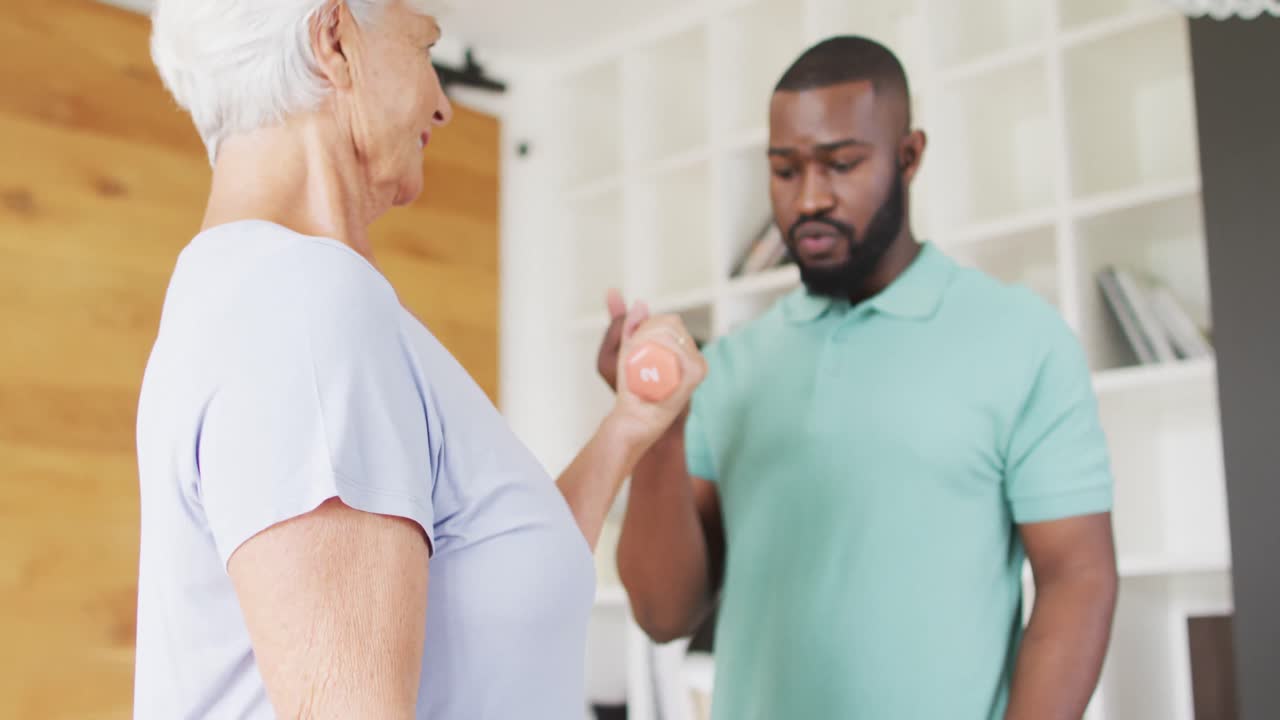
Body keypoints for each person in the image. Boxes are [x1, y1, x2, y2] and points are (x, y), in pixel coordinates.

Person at [132, 1, 706, 718]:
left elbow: (490, 577)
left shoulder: (266, 295)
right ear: (334, 41)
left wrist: (629, 426)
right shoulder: (304, 303)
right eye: (426, 48)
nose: (442, 105)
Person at [598, 36, 1119, 720]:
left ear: (910, 156)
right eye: (785, 171)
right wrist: (655, 429)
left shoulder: (1021, 339)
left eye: (840, 164)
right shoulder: (729, 367)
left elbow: (1077, 576)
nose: (810, 197)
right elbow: (664, 613)